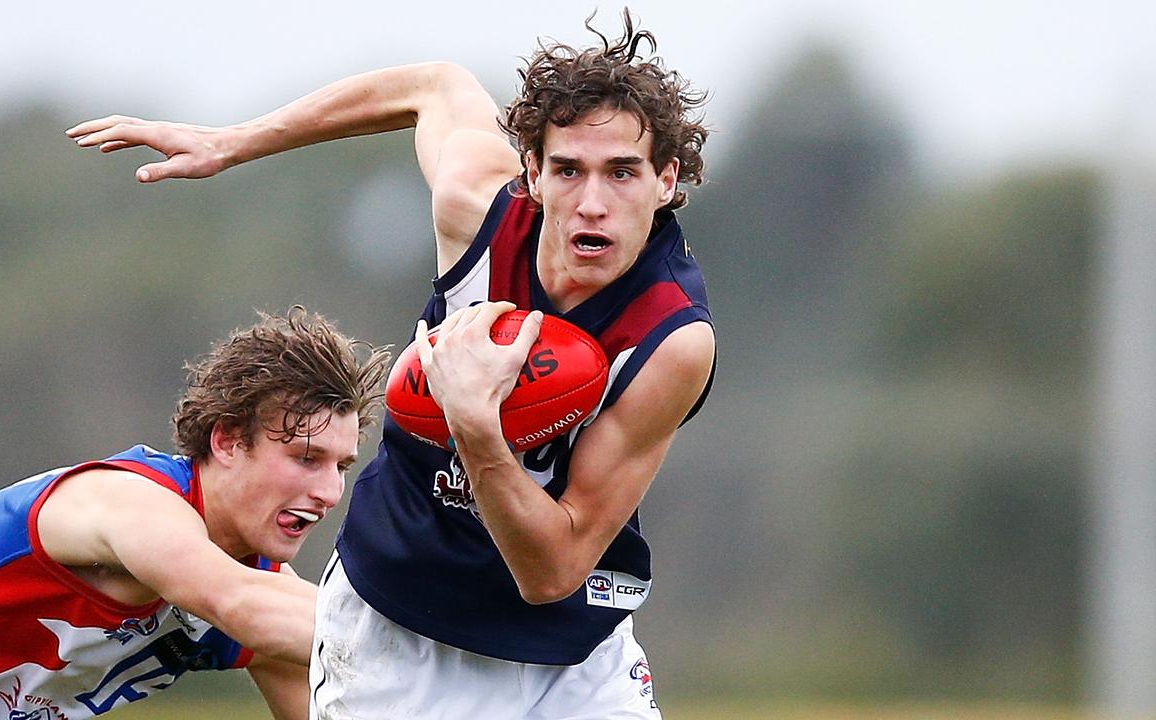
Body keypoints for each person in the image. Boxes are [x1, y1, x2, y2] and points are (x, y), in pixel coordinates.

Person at [68, 10, 715, 719]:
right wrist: (232, 141)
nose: (592, 203)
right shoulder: (480, 208)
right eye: (568, 170)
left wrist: (474, 424)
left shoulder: (669, 340)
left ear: (666, 179)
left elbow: (552, 571)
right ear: (531, 171)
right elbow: (432, 88)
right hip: (402, 629)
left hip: (572, 650)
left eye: (622, 172)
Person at [0, 307, 388, 720]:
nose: (330, 492)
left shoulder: (262, 597)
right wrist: (437, 643)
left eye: (342, 466)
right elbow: (244, 604)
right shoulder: (129, 503)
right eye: (306, 458)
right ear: (228, 441)